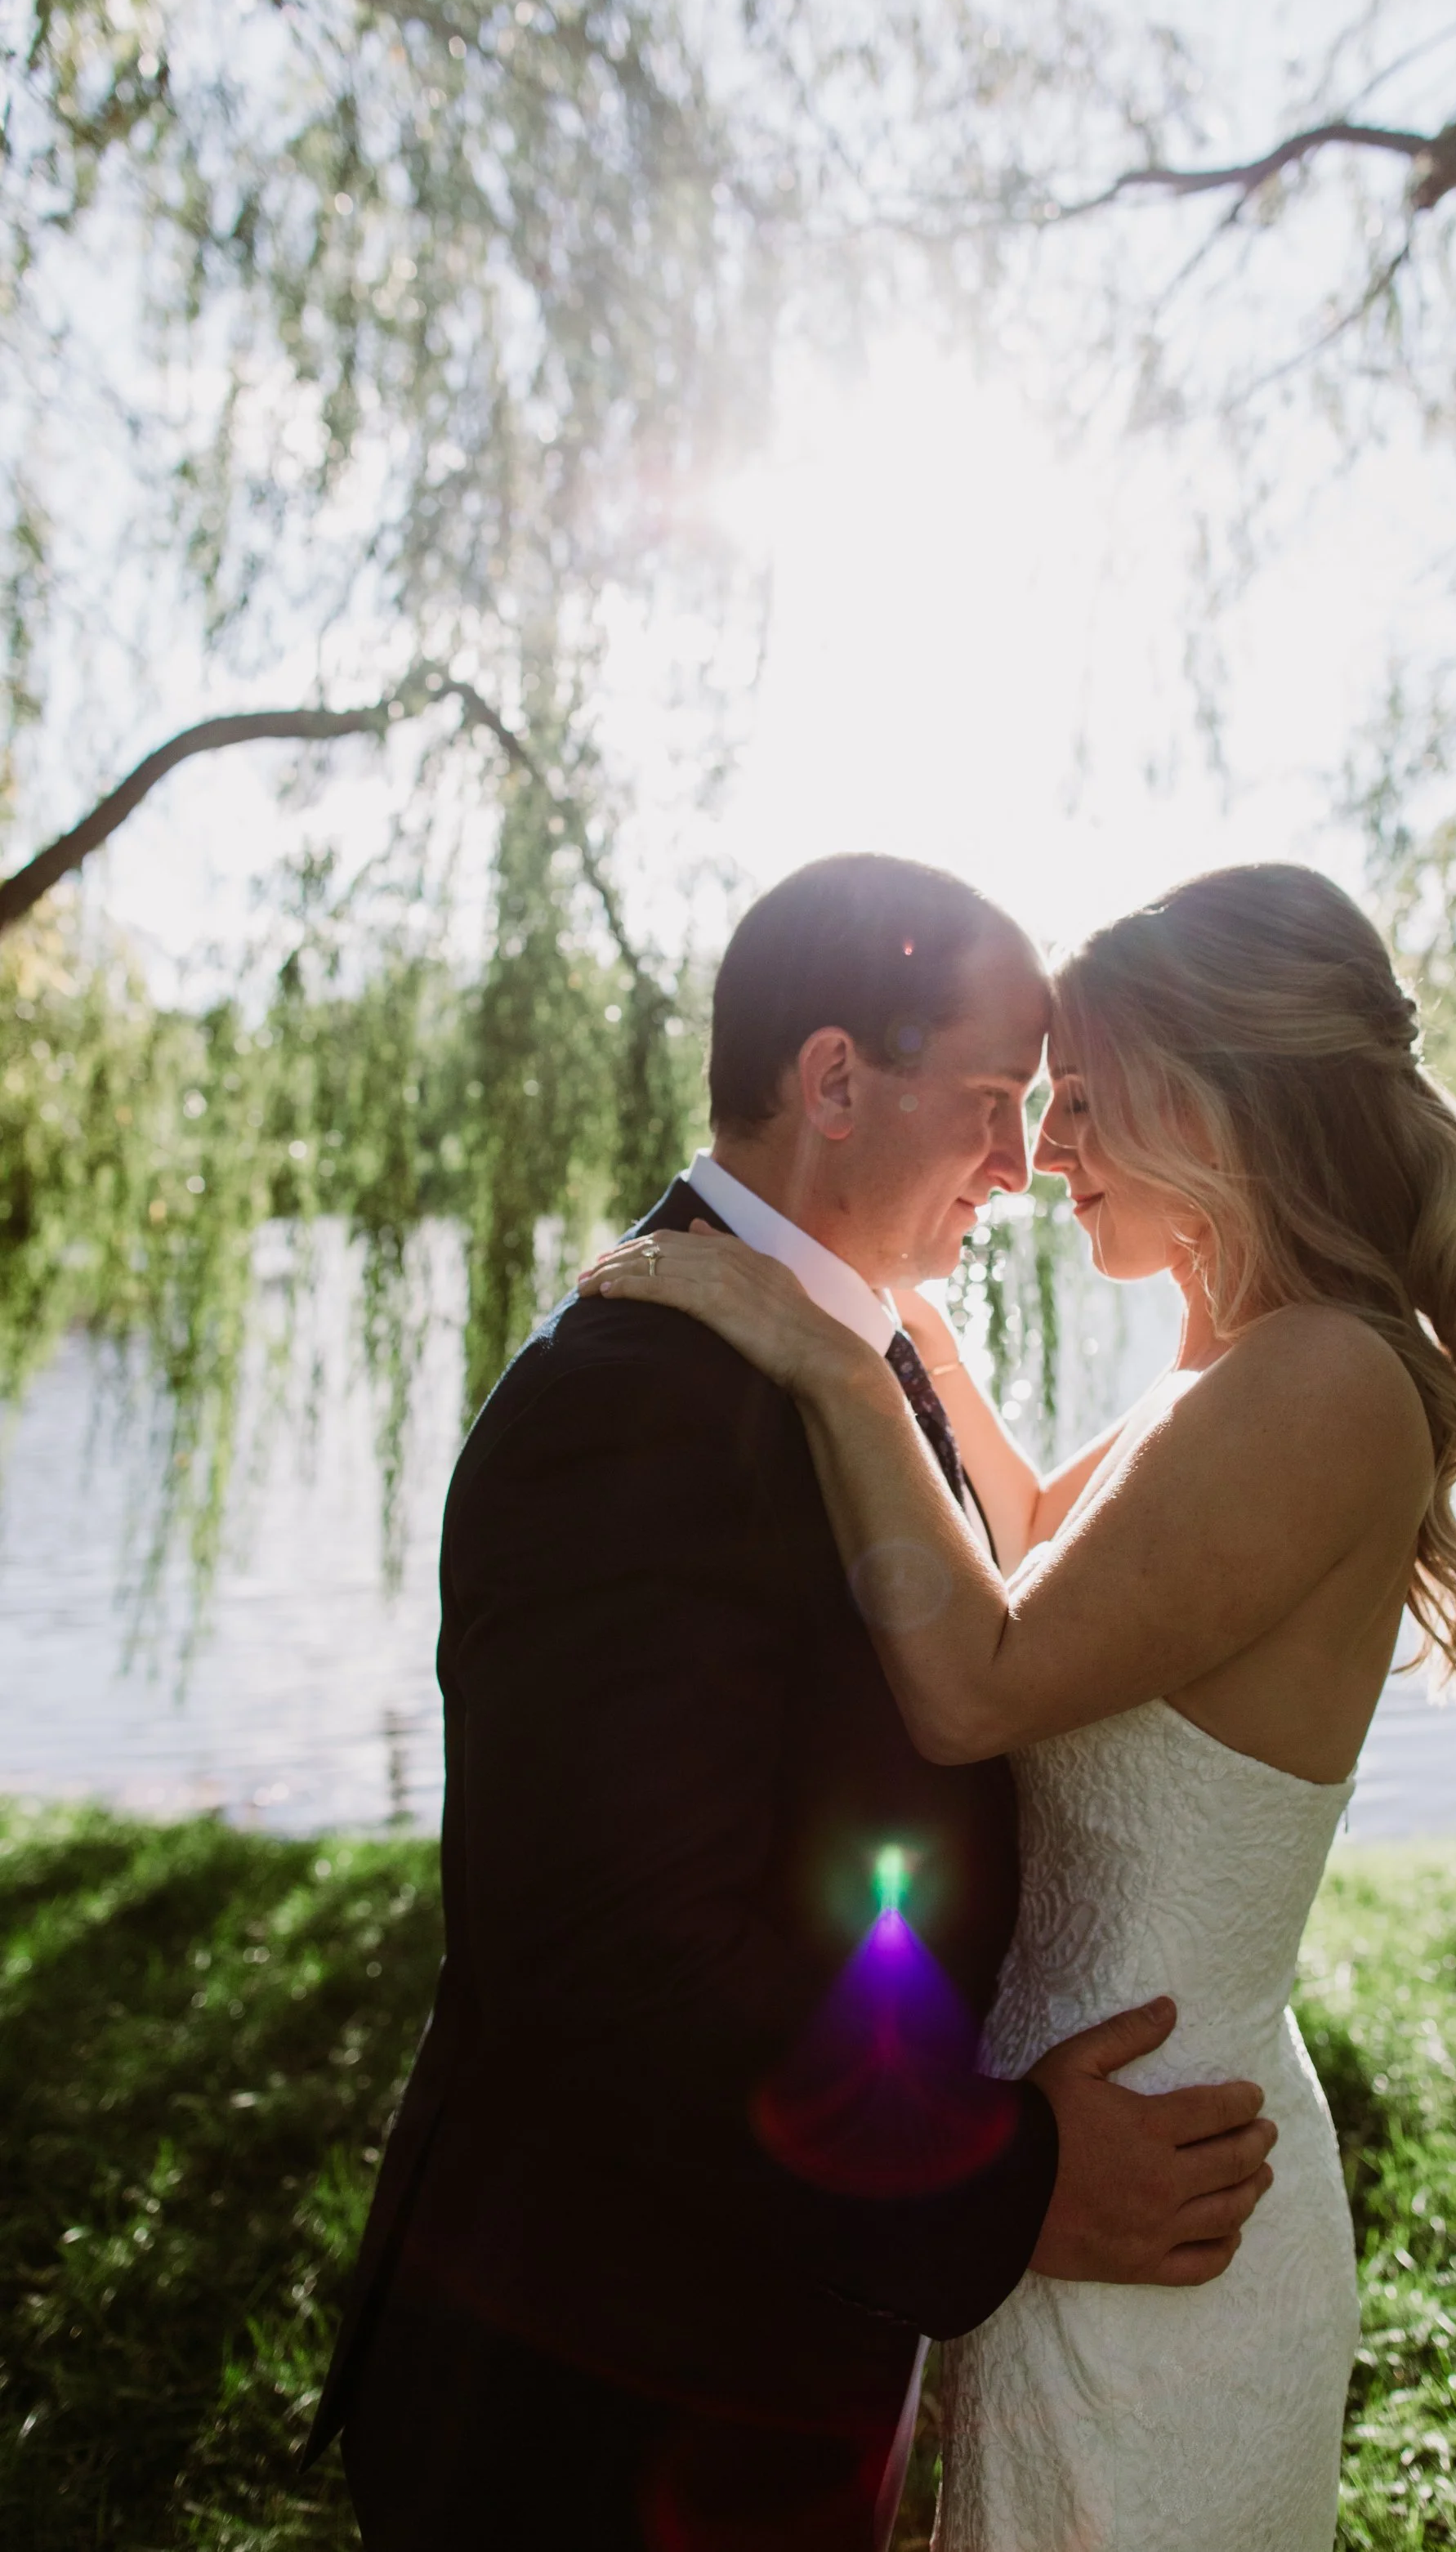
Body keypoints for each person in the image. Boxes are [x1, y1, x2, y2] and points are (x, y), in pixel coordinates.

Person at [308, 853, 1277, 2552]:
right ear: (834, 1081)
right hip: (605, 2388)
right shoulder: (641, 1403)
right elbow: (623, 1964)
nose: (1019, 1162)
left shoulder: (856, 1346)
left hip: (753, 2347)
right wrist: (1015, 2189)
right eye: (988, 1100)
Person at [584, 859, 1456, 2552]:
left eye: (1083, 1100)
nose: (1048, 1153)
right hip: (1096, 2170)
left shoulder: (1319, 1378)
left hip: (1171, 2199)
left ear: (1219, 1098)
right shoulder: (1244, 1366)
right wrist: (895, 1320)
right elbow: (1027, 1548)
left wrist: (818, 1355)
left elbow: (979, 1678)